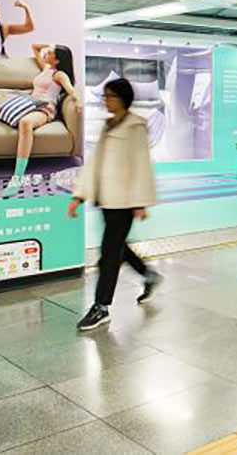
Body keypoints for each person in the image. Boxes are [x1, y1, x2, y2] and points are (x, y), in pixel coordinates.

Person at [68, 78, 159, 332]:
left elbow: (141, 164)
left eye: (110, 96)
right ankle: (149, 275)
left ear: (122, 99)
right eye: (105, 96)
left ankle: (101, 306)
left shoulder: (135, 127)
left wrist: (139, 202)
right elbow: (95, 163)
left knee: (109, 254)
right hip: (107, 199)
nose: (105, 100)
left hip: (125, 202)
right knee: (118, 247)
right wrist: (79, 196)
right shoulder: (109, 125)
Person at [0, 44, 81, 198]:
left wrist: (79, 101)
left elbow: (71, 90)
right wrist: (50, 47)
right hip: (28, 103)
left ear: (57, 60)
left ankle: (17, 178)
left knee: (25, 123)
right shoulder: (46, 68)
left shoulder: (59, 74)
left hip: (44, 108)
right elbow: (35, 47)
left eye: (50, 53)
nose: (46, 52)